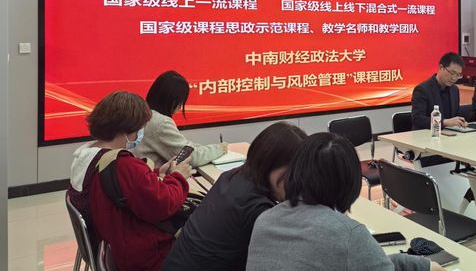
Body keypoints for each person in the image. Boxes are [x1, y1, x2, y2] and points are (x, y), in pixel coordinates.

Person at [246, 133, 442, 271]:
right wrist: (426, 266)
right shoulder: (349, 234)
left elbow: (368, 263)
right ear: (350, 182)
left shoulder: (265, 219)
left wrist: (420, 265)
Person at [69, 91, 192, 271]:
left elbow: (126, 186)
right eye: (140, 128)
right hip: (143, 255)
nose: (141, 133)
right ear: (125, 129)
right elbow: (163, 204)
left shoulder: (86, 155)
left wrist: (157, 174)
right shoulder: (123, 164)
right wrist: (178, 177)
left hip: (111, 246)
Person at [162, 121, 307, 271]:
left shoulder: (232, 176)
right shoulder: (257, 209)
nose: (294, 184)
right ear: (270, 164)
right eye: (289, 175)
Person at [134, 70, 227, 167]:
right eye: (180, 101)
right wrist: (220, 148)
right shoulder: (160, 123)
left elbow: (185, 146)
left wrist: (204, 148)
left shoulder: (145, 115)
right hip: (155, 175)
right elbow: (191, 158)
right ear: (170, 99)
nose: (180, 107)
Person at [411, 52, 470, 131]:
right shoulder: (422, 89)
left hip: (448, 134)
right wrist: (444, 122)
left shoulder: (454, 89)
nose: (454, 78)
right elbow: (418, 119)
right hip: (426, 135)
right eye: (452, 73)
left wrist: (460, 122)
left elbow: (456, 114)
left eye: (458, 75)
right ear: (441, 67)